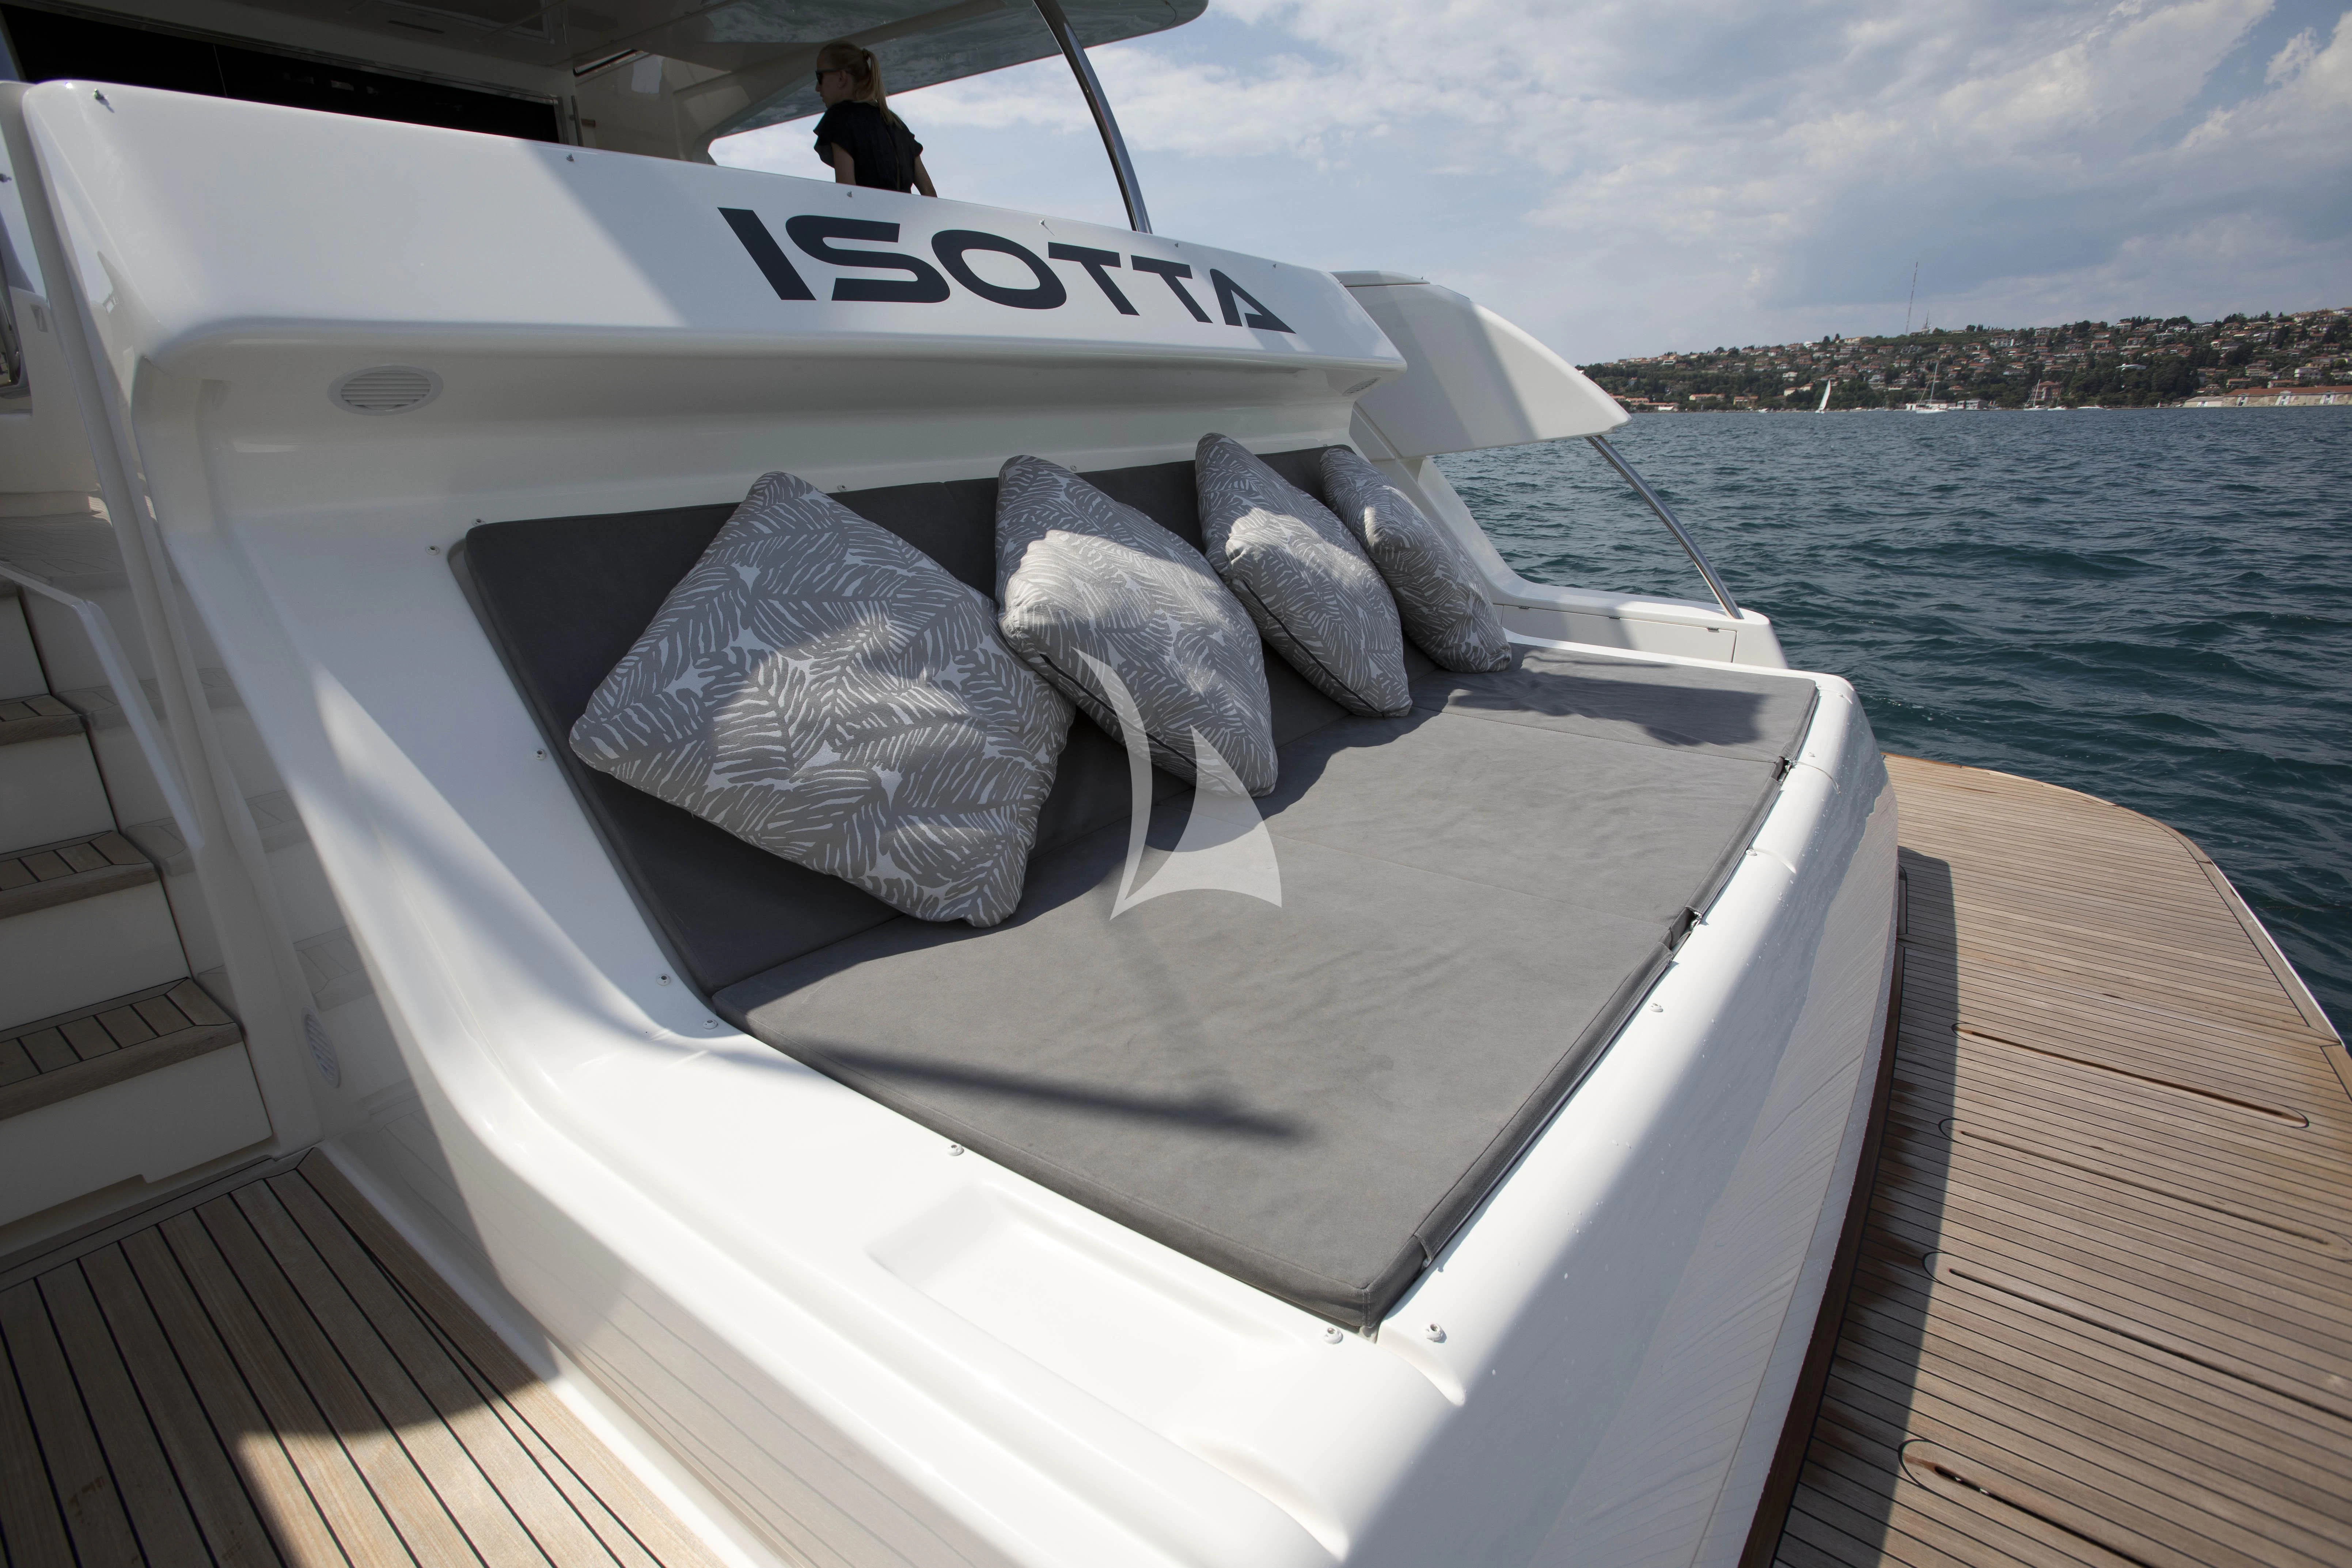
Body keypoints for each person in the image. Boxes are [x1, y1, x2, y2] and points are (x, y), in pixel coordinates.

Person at [811, 41, 936, 196]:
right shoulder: (896, 124)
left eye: (820, 77)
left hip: (869, 219)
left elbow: (847, 193)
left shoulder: (840, 117)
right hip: (904, 220)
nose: (818, 87)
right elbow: (930, 194)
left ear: (842, 78)